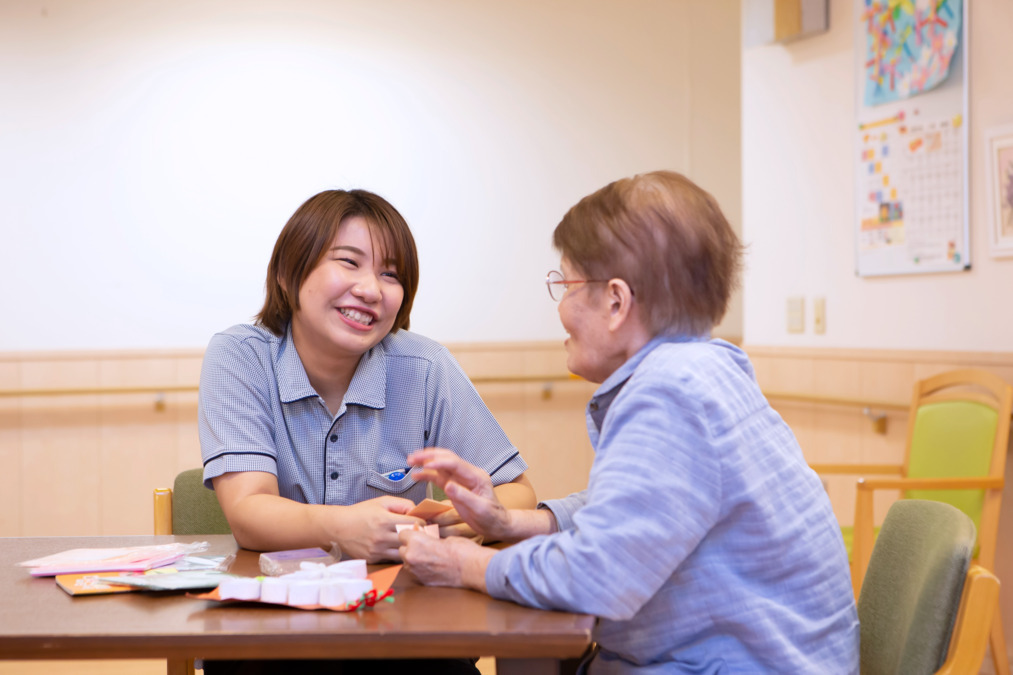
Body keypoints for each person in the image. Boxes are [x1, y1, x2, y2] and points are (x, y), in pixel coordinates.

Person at [399, 171, 860, 674]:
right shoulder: (707, 369)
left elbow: (596, 576)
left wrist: (463, 564)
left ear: (616, 302)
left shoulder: (668, 394)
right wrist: (514, 522)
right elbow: (634, 510)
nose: (561, 308)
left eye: (567, 285)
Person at [198, 188, 536, 674]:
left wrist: (460, 520)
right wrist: (342, 528)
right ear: (288, 274)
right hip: (271, 633)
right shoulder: (241, 356)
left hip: (406, 632)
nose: (372, 289)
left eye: (390, 274)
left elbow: (519, 493)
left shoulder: (423, 366)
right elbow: (249, 512)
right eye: (349, 262)